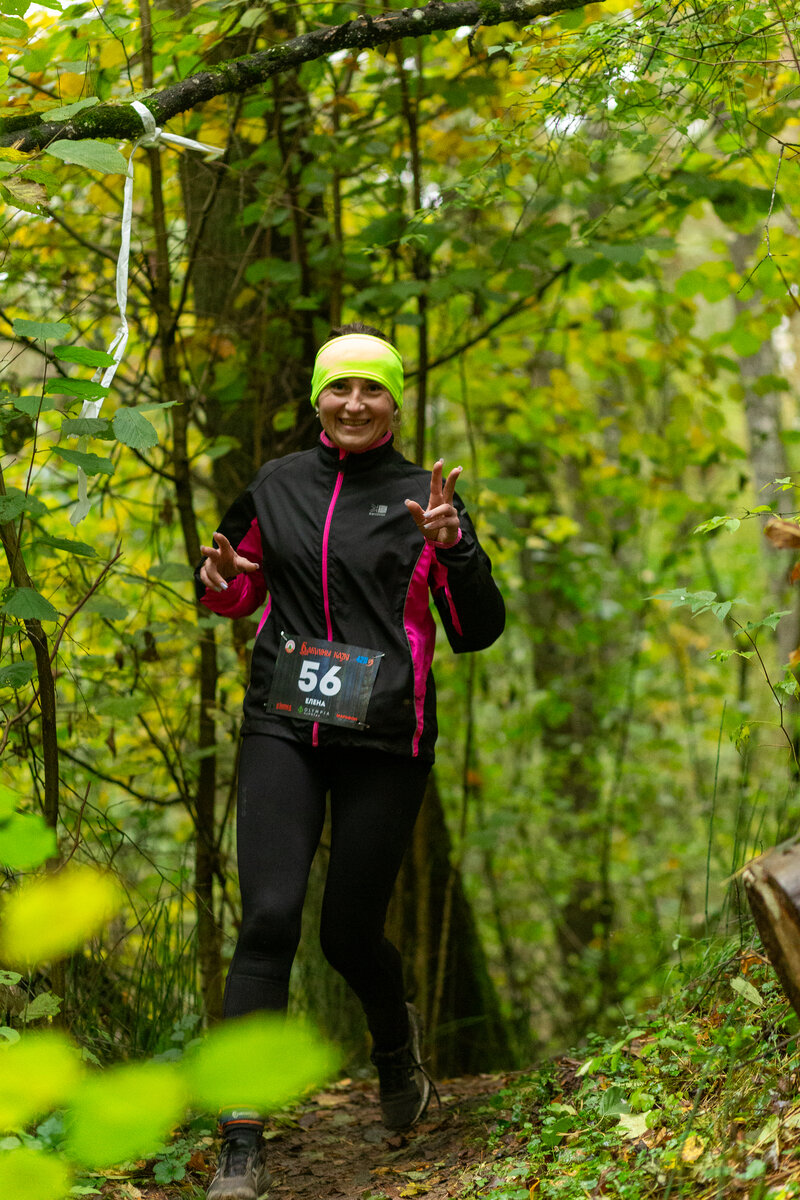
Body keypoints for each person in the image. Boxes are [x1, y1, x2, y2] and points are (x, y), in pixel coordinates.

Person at [195, 323, 505, 1200]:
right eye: (341, 390)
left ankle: (394, 1043)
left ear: (396, 402)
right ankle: (240, 1139)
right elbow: (237, 584)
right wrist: (221, 583)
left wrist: (455, 548)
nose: (355, 404)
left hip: (385, 737)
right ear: (318, 401)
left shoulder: (424, 499)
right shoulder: (277, 483)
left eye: (373, 390)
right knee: (268, 918)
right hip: (283, 725)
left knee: (347, 934)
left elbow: (477, 630)